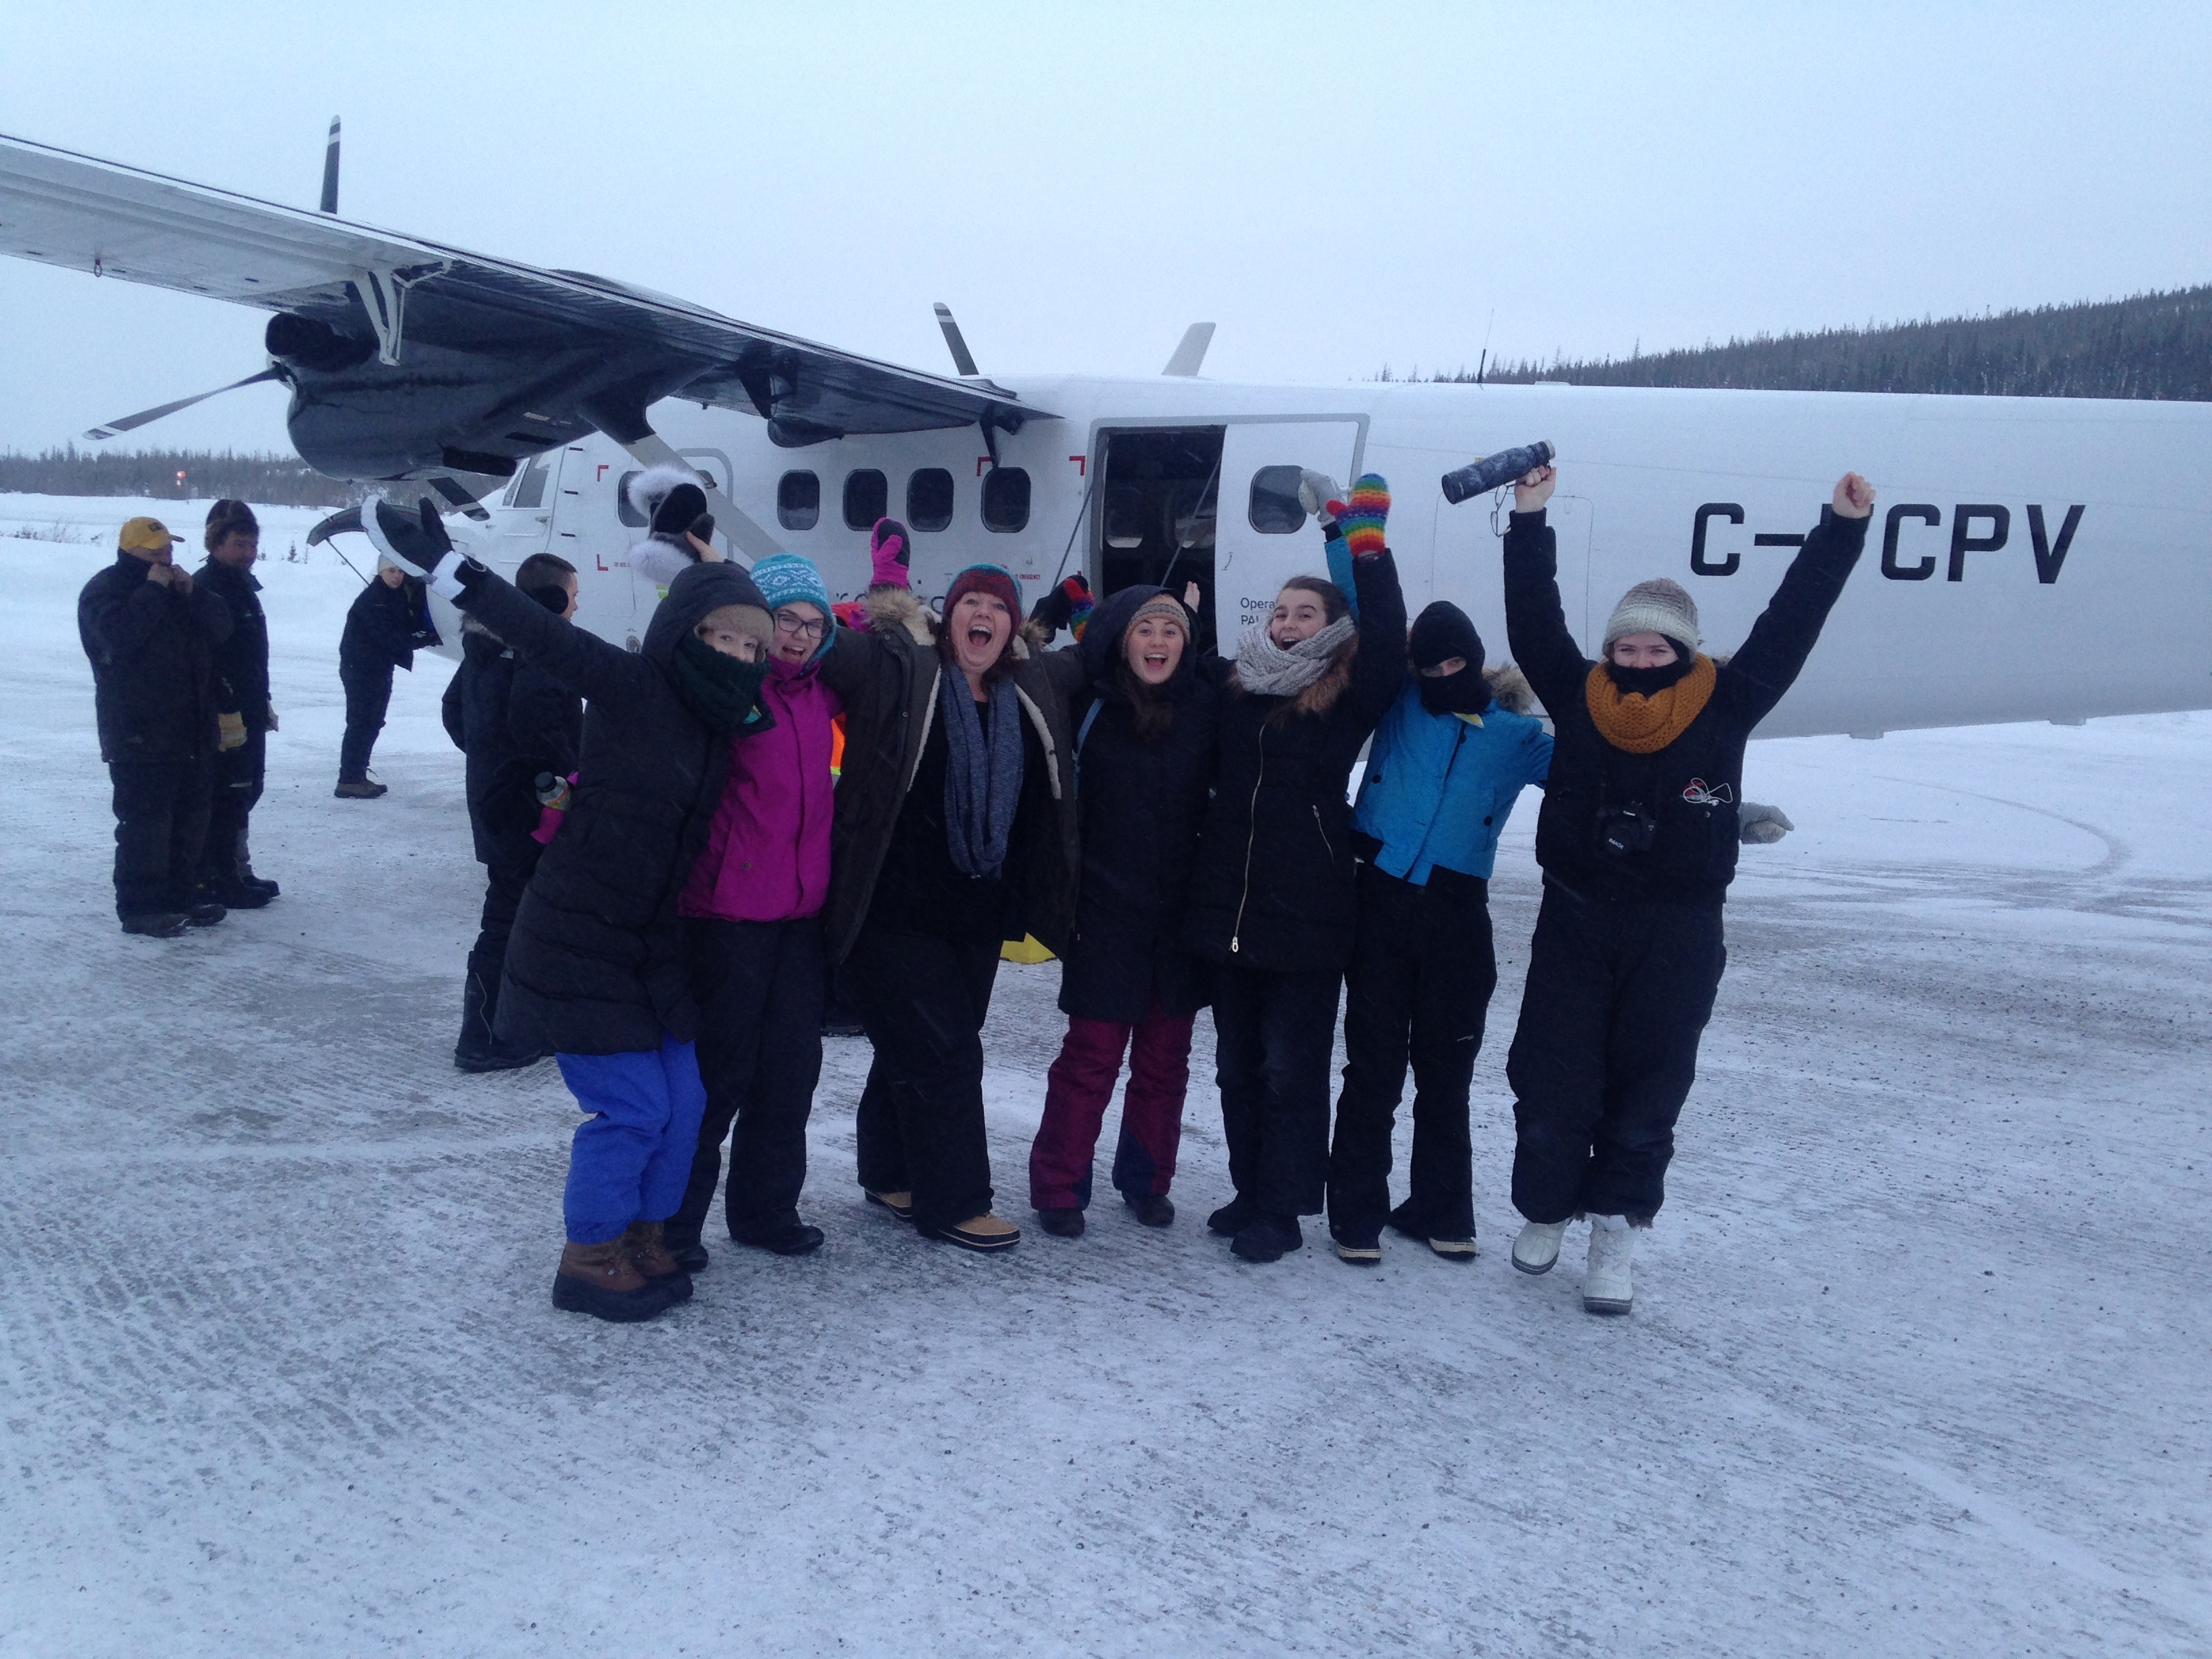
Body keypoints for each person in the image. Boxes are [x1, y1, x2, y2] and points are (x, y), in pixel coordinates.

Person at [367, 493, 777, 1324]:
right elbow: (543, 633)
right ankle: (588, 1258)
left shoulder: (721, 723)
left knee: (687, 1107)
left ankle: (645, 1237)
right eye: (720, 636)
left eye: (747, 644)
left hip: (648, 950)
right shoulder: (633, 690)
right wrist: (450, 567)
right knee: (634, 1108)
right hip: (576, 941)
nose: (735, 653)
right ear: (682, 636)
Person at [1500, 463, 1874, 1314]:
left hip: (1677, 928)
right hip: (1577, 917)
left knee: (1650, 1085)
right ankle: (1549, 1208)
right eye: (1627, 647)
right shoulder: (1579, 693)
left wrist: (1839, 532)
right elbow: (1533, 621)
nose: (1639, 662)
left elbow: (1792, 623)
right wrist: (1529, 520)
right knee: (1553, 1077)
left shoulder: (1727, 704)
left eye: (1656, 649)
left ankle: (1615, 1236)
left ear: (1684, 652)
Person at [816, 561, 1084, 1252]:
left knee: (913, 1048)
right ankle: (955, 1201)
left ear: (1013, 628)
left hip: (976, 911)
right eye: (970, 601)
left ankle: (887, 1171)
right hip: (893, 908)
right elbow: (821, 644)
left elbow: (1102, 652)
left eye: (996, 606)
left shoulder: (1030, 688)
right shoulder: (900, 670)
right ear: (947, 616)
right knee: (949, 1056)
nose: (982, 614)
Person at [1183, 474, 1408, 1263]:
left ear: (1332, 628)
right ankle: (1250, 1190)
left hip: (1308, 913)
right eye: (1279, 611)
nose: (1284, 623)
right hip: (1229, 911)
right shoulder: (1236, 684)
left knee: (1290, 1072)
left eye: (1303, 613)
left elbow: (1387, 629)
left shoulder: (1348, 691)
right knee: (1236, 1070)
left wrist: (1361, 545)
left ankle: (1282, 1210)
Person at [1325, 601, 1551, 1265]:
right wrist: (1350, 537)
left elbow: (1604, 775)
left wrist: (1721, 808)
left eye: (1457, 663)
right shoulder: (1399, 706)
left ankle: (1443, 1213)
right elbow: (1367, 609)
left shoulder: (1517, 736)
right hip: (1380, 907)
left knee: (1445, 1076)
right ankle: (1357, 1218)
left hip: (1457, 922)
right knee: (1373, 1070)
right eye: (1432, 666)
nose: (1446, 674)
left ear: (1477, 659)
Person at [664, 552, 844, 1267]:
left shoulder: (824, 697)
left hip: (799, 919)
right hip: (727, 916)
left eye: (813, 623)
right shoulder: (728, 689)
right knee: (718, 1079)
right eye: (785, 620)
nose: (799, 636)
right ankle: (674, 1226)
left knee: (791, 1072)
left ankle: (766, 1211)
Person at [1026, 583, 1216, 1237]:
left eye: (1171, 630)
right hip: (1104, 914)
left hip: (1180, 922)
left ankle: (1146, 1181)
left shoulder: (1207, 708)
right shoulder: (1089, 705)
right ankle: (1058, 1185)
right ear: (1121, 639)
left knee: (1166, 1064)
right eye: (1144, 630)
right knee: (1089, 1060)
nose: (1158, 642)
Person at [438, 552, 582, 1072]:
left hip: (496, 804)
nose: (576, 605)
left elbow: (454, 712)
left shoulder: (482, 647)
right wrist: (565, 777)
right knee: (515, 919)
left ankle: (501, 1026)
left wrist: (488, 760)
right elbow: (541, 725)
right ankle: (490, 1034)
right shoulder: (540, 650)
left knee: (509, 913)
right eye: (573, 594)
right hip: (533, 811)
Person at [77, 515, 234, 936]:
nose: (165, 558)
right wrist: (151, 590)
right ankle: (141, 906)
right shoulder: (106, 590)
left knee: (191, 818)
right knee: (146, 822)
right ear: (130, 552)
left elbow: (222, 629)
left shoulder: (179, 590)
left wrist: (193, 592)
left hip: (191, 728)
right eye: (155, 551)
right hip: (139, 731)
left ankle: (183, 897)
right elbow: (117, 640)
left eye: (168, 550)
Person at [193, 500, 281, 907]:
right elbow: (203, 656)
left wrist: (260, 701)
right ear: (216, 544)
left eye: (253, 545)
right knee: (228, 792)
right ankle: (219, 875)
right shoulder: (206, 588)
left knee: (247, 789)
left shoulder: (242, 586)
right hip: (224, 711)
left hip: (248, 704)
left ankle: (234, 868)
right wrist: (222, 702)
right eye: (241, 544)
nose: (249, 553)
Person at [335, 555, 438, 798]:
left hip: (376, 668)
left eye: (401, 571)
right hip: (361, 669)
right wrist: (424, 639)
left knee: (371, 722)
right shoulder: (375, 601)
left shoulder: (395, 595)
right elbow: (391, 638)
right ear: (381, 572)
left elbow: (404, 625)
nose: (397, 576)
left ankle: (356, 775)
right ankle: (349, 780)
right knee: (362, 722)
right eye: (391, 570)